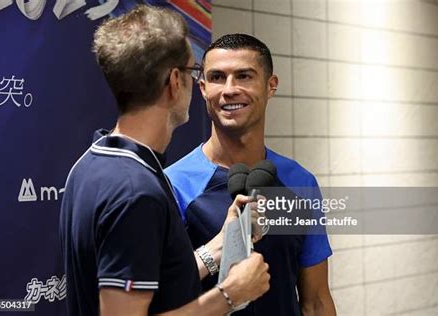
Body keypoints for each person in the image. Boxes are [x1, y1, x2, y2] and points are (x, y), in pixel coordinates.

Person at [59, 8, 270, 316]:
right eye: (193, 72)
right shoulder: (135, 192)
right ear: (174, 81)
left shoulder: (93, 162)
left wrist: (219, 246)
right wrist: (230, 294)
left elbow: (150, 281)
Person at [165, 34, 336, 315]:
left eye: (244, 76)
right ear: (203, 88)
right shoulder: (173, 184)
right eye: (218, 77)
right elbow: (159, 295)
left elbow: (316, 300)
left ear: (271, 86)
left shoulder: (300, 181)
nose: (230, 89)